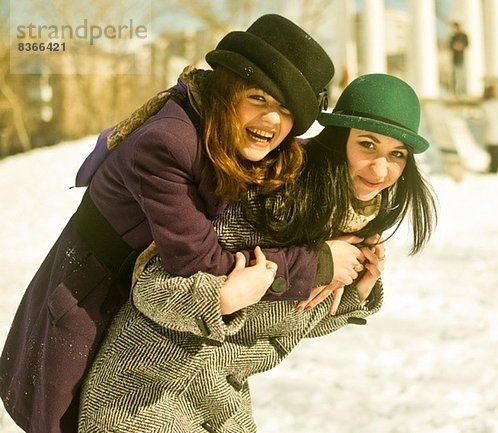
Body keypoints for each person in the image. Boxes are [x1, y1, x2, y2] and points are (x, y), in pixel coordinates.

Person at [0, 14, 366, 433]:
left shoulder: (228, 134)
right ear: (229, 90)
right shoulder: (168, 142)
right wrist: (318, 263)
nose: (270, 121)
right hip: (93, 303)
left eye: (285, 110)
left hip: (153, 326)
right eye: (259, 99)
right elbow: (200, 260)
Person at [77, 73, 438, 432]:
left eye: (397, 154)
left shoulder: (348, 230)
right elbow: (154, 288)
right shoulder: (276, 200)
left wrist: (355, 290)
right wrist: (222, 297)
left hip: (219, 404)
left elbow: (278, 321)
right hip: (145, 398)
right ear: (339, 139)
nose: (380, 169)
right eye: (367, 145)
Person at [481, 84, 498, 174]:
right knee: (495, 151)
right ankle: (494, 168)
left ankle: (493, 168)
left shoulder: (487, 105)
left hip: (492, 132)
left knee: (493, 152)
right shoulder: (497, 105)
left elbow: (484, 119)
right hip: (496, 132)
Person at [449, 21, 469, 96]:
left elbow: (467, 44)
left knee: (462, 74)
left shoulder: (463, 36)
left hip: (461, 58)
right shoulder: (453, 37)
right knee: (455, 75)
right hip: (455, 58)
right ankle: (455, 91)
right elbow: (450, 46)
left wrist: (460, 46)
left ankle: (463, 91)